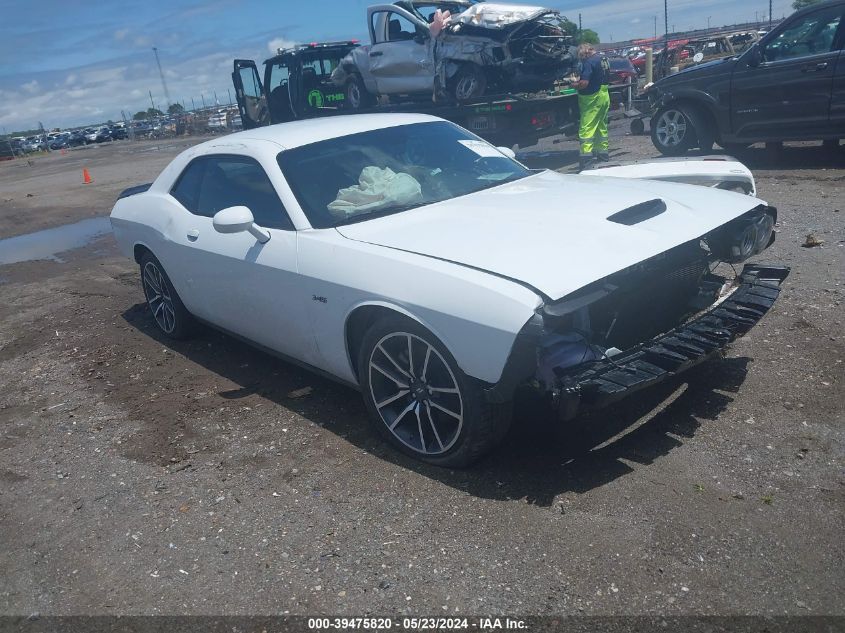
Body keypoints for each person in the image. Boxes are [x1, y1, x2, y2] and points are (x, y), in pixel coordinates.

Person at [573, 43, 611, 171]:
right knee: (601, 127)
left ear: (584, 53)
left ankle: (586, 160)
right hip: (604, 95)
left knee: (586, 128)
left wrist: (574, 85)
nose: (581, 58)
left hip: (591, 98)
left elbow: (584, 83)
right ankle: (603, 155)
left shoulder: (589, 62)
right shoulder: (603, 59)